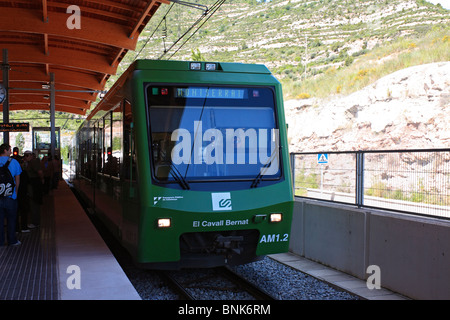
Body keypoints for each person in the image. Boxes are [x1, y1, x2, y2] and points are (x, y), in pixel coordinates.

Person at [0, 143, 22, 247]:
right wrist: (16, 192)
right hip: (10, 196)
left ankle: (0, 241)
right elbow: (17, 179)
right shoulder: (14, 162)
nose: (11, 152)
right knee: (11, 219)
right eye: (9, 150)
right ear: (5, 150)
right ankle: (12, 240)